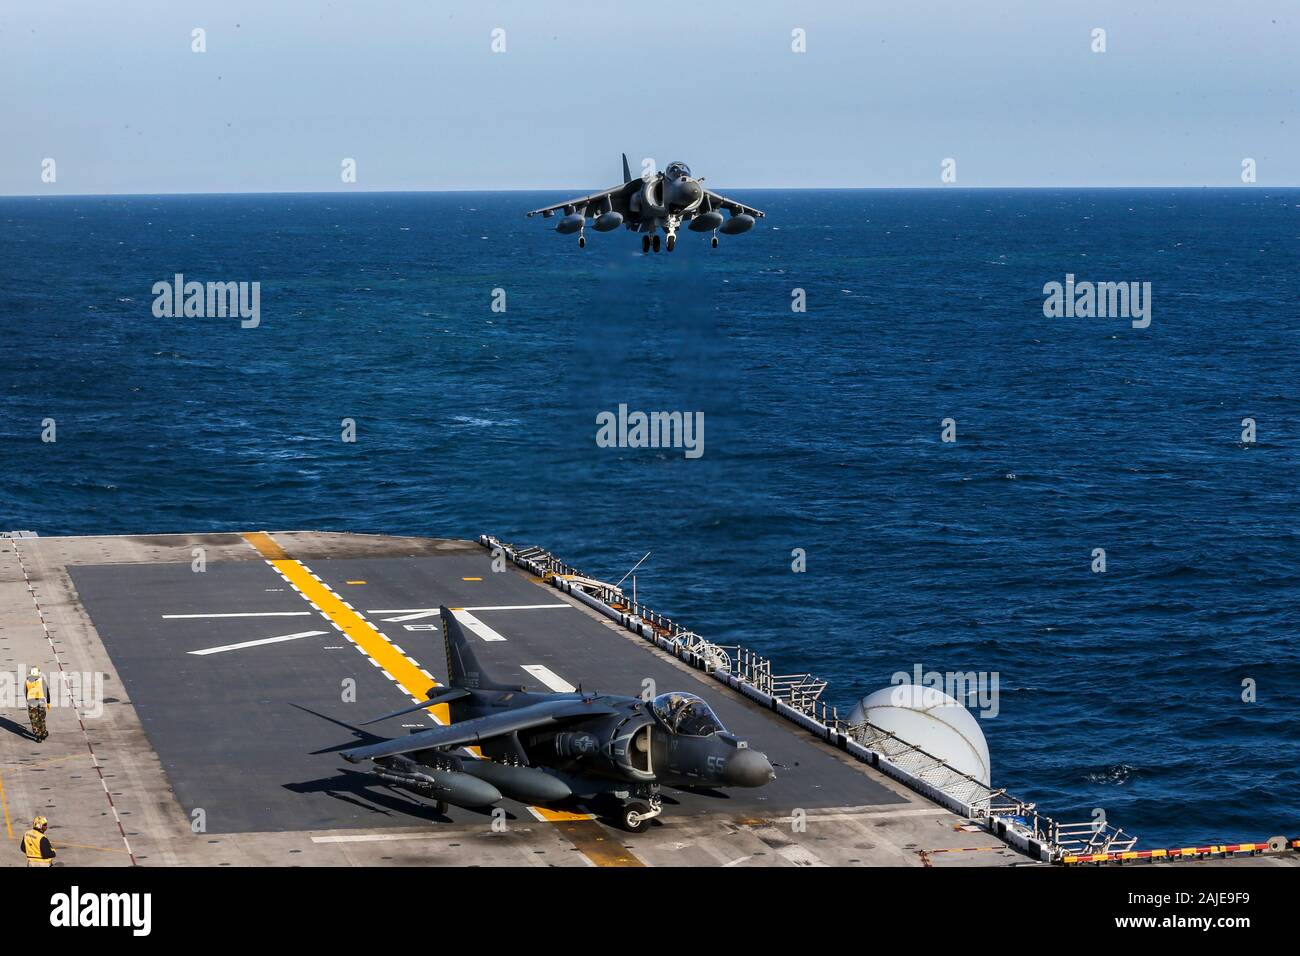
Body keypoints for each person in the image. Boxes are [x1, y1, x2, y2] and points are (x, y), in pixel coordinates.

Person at [23, 666, 49, 742]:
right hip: (41, 701)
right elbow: (46, 691)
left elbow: (25, 692)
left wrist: (28, 700)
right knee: (42, 718)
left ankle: (38, 736)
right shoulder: (41, 681)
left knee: (34, 719)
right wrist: (48, 702)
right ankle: (43, 733)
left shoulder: (27, 681)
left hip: (32, 702)